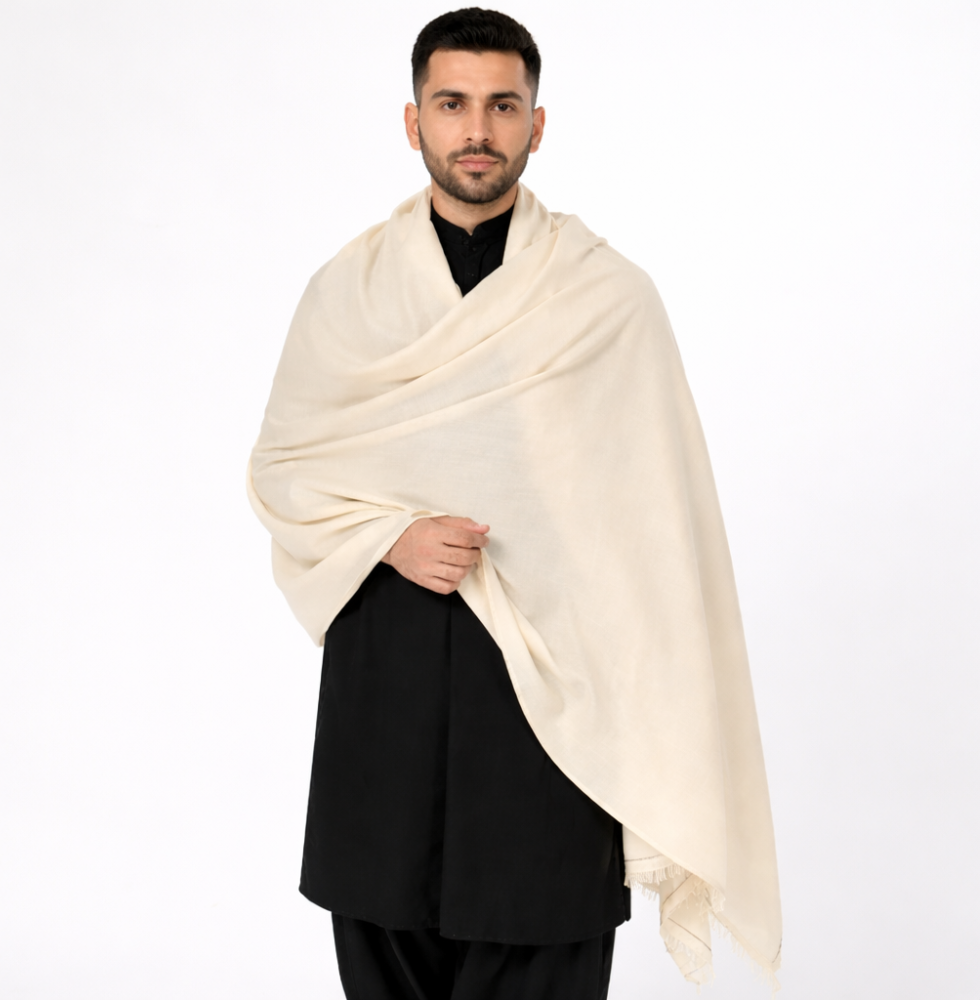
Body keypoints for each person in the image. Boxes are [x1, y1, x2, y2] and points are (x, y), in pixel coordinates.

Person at [247, 8, 782, 999]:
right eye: (452, 104)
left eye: (503, 106)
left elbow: (657, 530)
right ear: (413, 121)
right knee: (385, 951)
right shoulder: (345, 295)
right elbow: (286, 470)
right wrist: (388, 535)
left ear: (538, 124)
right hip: (389, 689)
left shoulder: (606, 299)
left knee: (545, 946)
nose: (477, 129)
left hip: (556, 712)